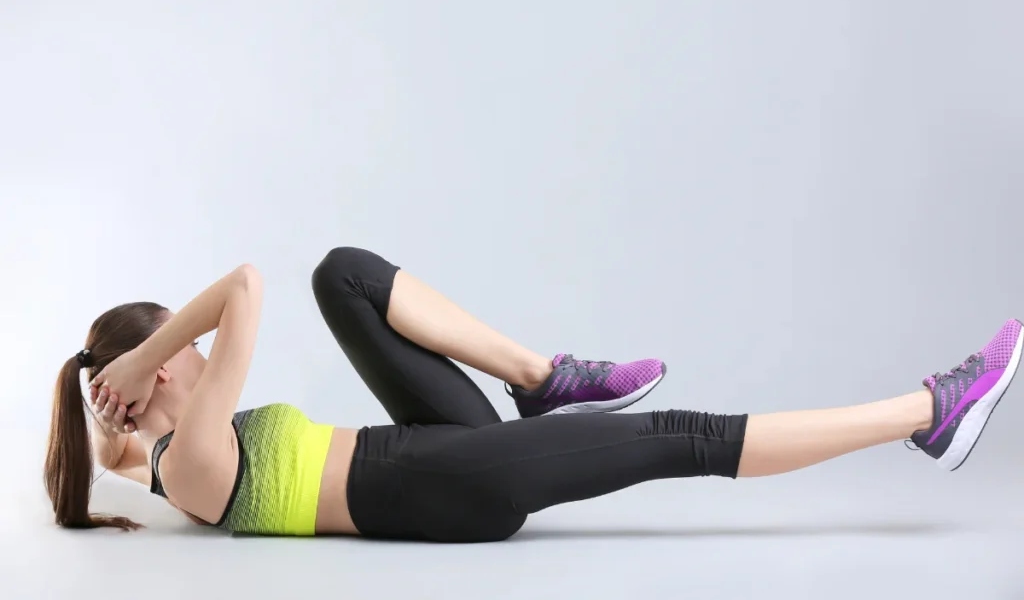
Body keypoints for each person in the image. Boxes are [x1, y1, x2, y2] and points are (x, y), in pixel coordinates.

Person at [44, 247, 1021, 541]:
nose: (201, 346)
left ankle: (538, 377)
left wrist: (110, 394)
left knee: (339, 273)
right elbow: (242, 287)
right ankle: (927, 414)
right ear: (163, 369)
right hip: (440, 483)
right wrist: (133, 363)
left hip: (424, 447)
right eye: (180, 343)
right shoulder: (196, 456)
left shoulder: (155, 465)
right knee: (681, 434)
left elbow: (112, 451)